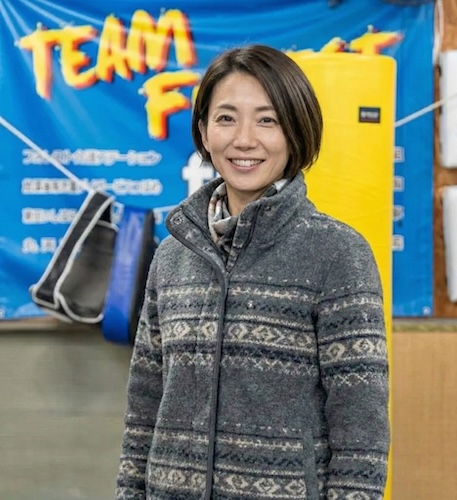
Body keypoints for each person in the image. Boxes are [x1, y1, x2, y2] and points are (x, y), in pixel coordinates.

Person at [116, 44, 390, 500]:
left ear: (296, 131)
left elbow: (362, 431)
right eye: (226, 118)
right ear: (203, 132)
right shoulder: (172, 255)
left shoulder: (338, 254)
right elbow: (144, 410)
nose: (244, 140)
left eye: (267, 120)